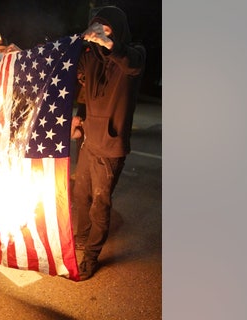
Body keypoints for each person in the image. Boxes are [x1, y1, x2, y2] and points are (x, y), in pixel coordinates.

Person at [71, 6, 146, 281]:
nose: (100, 33)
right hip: (89, 141)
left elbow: (131, 62)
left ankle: (90, 256)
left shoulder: (133, 53)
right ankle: (80, 238)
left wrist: (107, 43)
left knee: (99, 203)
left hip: (111, 147)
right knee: (80, 196)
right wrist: (24, 55)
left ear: (117, 29)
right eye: (96, 27)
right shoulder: (91, 58)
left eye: (107, 27)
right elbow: (75, 80)